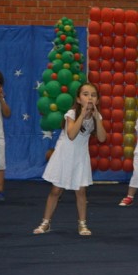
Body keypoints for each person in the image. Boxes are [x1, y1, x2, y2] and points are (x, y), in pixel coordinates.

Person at [33, 83, 106, 236]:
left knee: (81, 191)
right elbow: (71, 135)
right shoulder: (71, 114)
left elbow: (102, 137)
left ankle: (82, 224)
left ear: (97, 100)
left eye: (93, 95)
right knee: (56, 190)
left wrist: (96, 118)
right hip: (64, 155)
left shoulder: (96, 116)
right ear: (79, 99)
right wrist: (83, 114)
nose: (89, 97)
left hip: (80, 157)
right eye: (85, 94)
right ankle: (45, 222)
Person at [0, 69, 11, 202]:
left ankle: (0, 191)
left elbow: (7, 114)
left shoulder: (0, 98)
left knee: (0, 164)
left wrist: (1, 99)